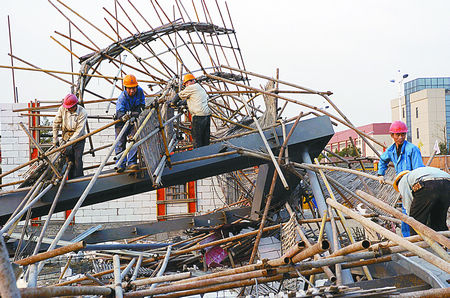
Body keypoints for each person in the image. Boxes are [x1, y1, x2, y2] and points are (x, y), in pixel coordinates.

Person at [377, 120, 425, 236]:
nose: (400, 137)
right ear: (392, 136)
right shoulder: (391, 150)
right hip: (403, 184)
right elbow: (383, 160)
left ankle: (416, 237)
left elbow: (419, 169)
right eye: (397, 135)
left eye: (403, 134)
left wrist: (415, 185)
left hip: (414, 183)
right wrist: (381, 174)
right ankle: (408, 238)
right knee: (405, 211)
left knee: (412, 210)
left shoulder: (412, 149)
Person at [393, 167, 450, 235]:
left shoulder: (402, 180)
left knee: (415, 220)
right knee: (438, 219)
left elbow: (408, 201)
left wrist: (411, 216)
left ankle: (417, 242)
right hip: (447, 184)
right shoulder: (419, 173)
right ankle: (443, 243)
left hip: (428, 184)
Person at [52, 93, 88, 179]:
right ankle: (71, 180)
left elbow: (79, 131)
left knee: (78, 159)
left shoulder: (82, 112)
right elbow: (56, 123)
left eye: (70, 108)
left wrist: (70, 143)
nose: (68, 109)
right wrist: (55, 138)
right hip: (66, 136)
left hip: (79, 139)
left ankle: (79, 180)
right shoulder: (62, 109)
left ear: (75, 105)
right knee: (69, 160)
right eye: (67, 108)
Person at [171, 73, 212, 148]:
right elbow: (191, 100)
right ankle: (207, 154)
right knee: (205, 138)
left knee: (197, 138)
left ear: (191, 81)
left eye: (186, 83)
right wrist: (180, 103)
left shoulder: (191, 87)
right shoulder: (199, 88)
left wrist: (172, 103)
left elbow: (178, 96)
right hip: (207, 115)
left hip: (198, 116)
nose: (186, 85)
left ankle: (198, 156)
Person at [115, 74, 145, 173]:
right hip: (122, 121)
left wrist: (136, 113)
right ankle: (120, 164)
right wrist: (123, 117)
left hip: (134, 119)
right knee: (120, 142)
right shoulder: (122, 98)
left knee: (134, 140)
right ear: (125, 88)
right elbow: (119, 112)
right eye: (129, 89)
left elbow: (142, 105)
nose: (132, 91)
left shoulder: (140, 91)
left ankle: (132, 163)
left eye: (133, 88)